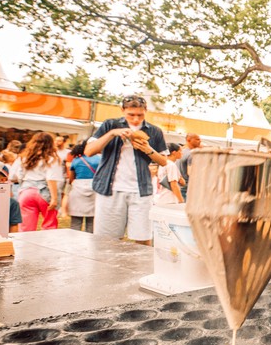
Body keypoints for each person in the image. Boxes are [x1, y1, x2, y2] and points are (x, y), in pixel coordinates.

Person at [84, 95, 169, 244]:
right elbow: (89, 151)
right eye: (131, 115)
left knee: (143, 238)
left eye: (140, 115)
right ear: (122, 110)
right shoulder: (110, 125)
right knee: (107, 240)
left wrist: (148, 149)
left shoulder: (154, 131)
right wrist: (112, 134)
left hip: (141, 191)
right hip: (109, 189)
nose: (136, 119)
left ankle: (139, 267)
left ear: (146, 111)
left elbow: (163, 161)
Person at [9, 131, 65, 231]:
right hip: (45, 193)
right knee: (49, 226)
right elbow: (51, 179)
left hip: (26, 191)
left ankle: (25, 246)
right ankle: (47, 245)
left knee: (26, 227)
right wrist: (54, 198)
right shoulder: (52, 159)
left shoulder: (23, 158)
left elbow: (13, 176)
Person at [62, 139, 101, 233]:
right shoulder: (101, 159)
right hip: (94, 189)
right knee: (91, 222)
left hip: (78, 190)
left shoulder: (77, 160)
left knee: (76, 222)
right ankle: (90, 244)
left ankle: (74, 244)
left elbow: (71, 178)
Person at [177, 133, 202, 198]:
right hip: (187, 188)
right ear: (188, 140)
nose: (200, 141)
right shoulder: (192, 154)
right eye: (197, 139)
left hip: (179, 186)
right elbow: (190, 172)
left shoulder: (181, 152)